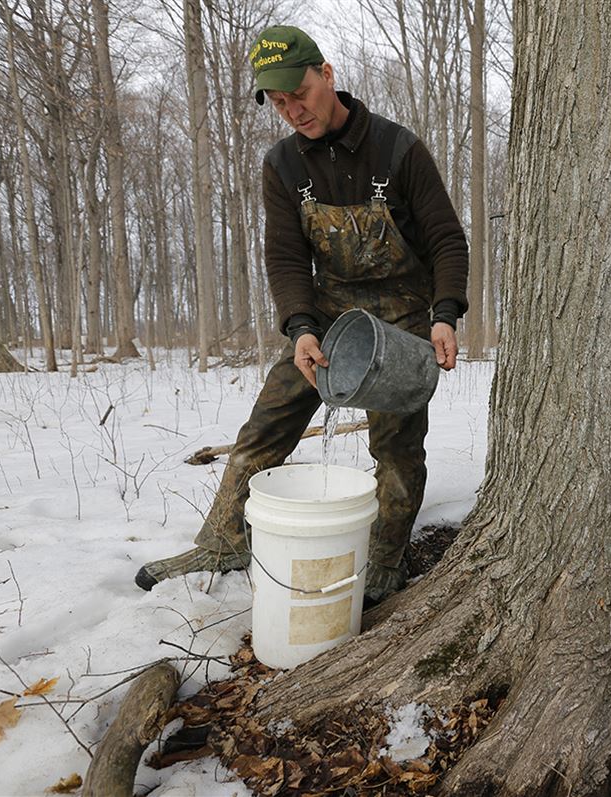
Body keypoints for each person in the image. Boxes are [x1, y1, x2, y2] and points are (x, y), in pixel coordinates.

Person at [135, 25, 468, 603]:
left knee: (395, 444)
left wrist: (444, 314)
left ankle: (387, 560)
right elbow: (286, 257)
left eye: (301, 94)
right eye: (280, 103)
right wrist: (301, 327)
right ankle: (223, 542)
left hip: (405, 318)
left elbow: (446, 240)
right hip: (331, 314)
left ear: (327, 76)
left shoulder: (398, 150)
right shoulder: (283, 166)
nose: (293, 111)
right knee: (266, 424)